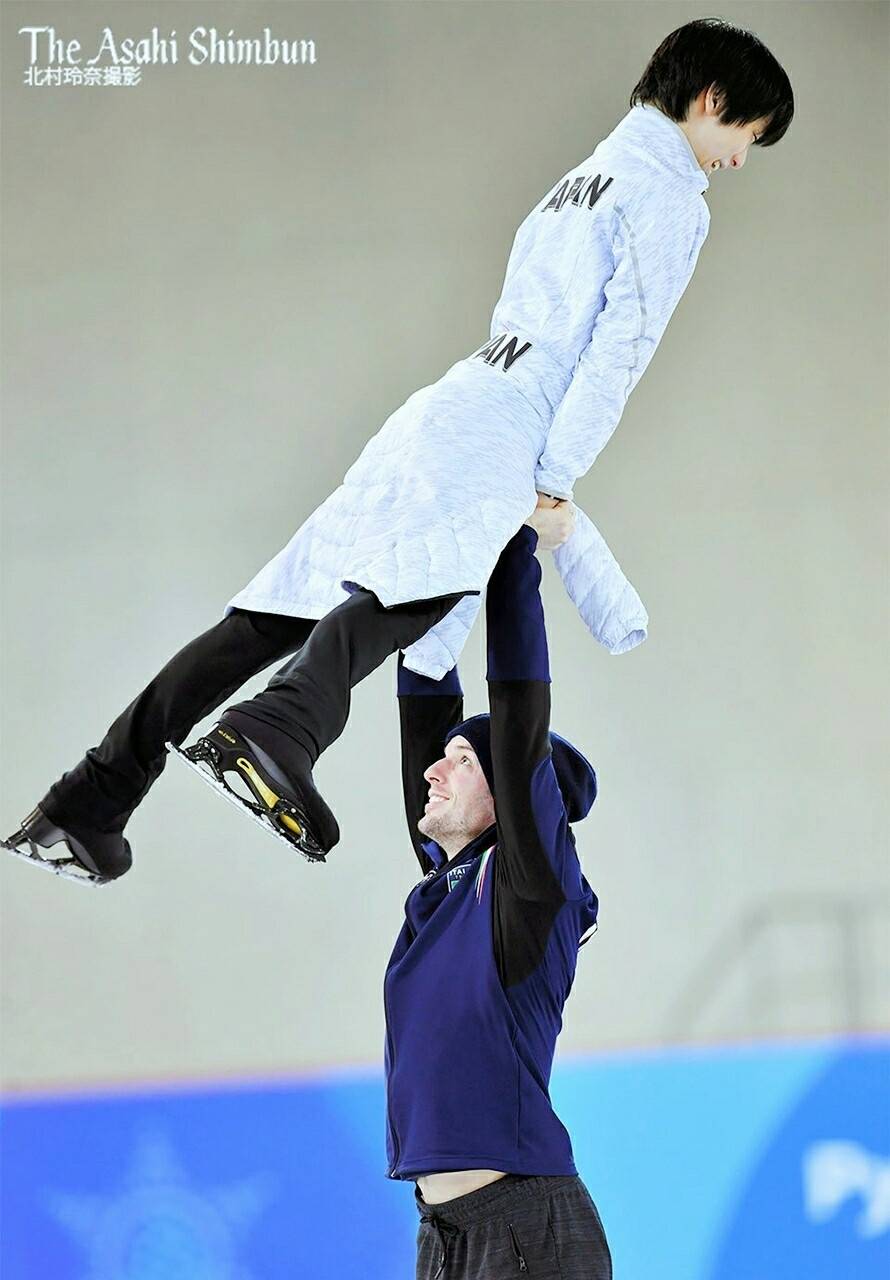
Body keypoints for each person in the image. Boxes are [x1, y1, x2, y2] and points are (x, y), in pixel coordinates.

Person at [2, 19, 793, 885]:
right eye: (747, 135)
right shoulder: (670, 196)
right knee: (413, 591)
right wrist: (550, 482)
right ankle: (281, 726)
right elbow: (619, 350)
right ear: (712, 101)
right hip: (506, 422)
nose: (740, 160)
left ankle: (90, 798)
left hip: (450, 401)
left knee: (276, 612)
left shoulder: (577, 182)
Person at [389, 505, 611, 1279]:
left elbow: (518, 714)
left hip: (525, 1229)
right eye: (441, 757)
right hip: (442, 1236)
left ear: (511, 794)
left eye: (462, 760)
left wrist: (515, 548)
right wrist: (424, 569)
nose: (432, 770)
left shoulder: (524, 889)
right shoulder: (441, 893)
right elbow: (423, 698)